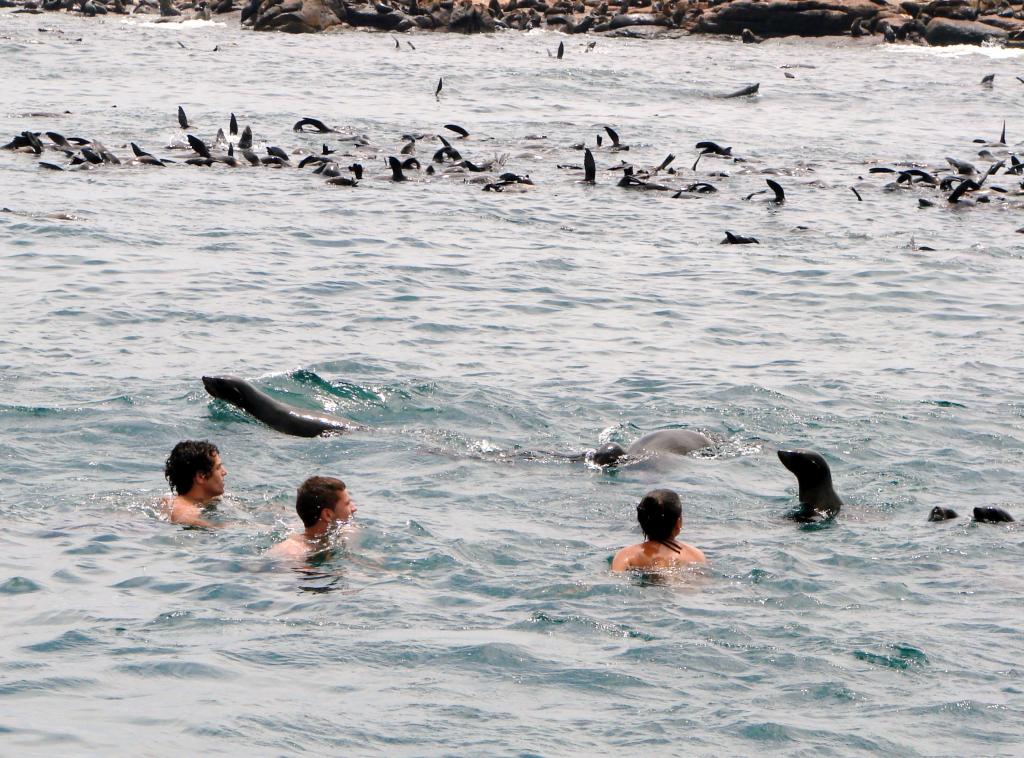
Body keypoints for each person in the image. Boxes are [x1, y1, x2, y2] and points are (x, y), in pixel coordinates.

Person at [611, 489, 706, 571]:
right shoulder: (696, 556)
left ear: (641, 522)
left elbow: (615, 577)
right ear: (678, 523)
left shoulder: (626, 555)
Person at [270, 476, 357, 559]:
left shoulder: (334, 538)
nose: (354, 508)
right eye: (347, 504)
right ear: (328, 515)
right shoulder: (292, 551)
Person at [162, 440, 227, 528]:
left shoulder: (213, 499)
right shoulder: (183, 510)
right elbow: (184, 520)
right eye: (218, 468)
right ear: (201, 476)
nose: (225, 472)